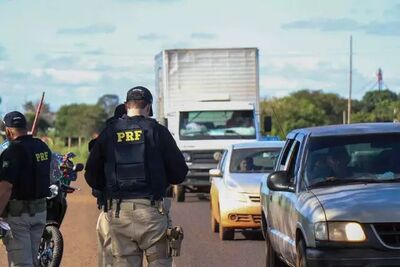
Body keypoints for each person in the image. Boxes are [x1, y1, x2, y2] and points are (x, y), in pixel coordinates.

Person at [85, 86, 188, 267]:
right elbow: (179, 173)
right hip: (152, 214)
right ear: (148, 107)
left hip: (118, 215)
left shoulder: (109, 132)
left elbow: (91, 174)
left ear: (126, 106)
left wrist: (109, 188)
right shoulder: (158, 132)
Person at [0, 111, 51, 266]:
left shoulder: (12, 151)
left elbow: (5, 187)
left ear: (8, 131)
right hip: (40, 214)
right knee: (33, 261)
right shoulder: (42, 146)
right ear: (25, 127)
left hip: (18, 217)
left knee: (22, 264)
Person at [89, 103, 126, 267]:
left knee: (109, 256)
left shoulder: (107, 135)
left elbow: (91, 172)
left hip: (112, 207)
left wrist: (100, 189)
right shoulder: (153, 131)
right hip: (151, 208)